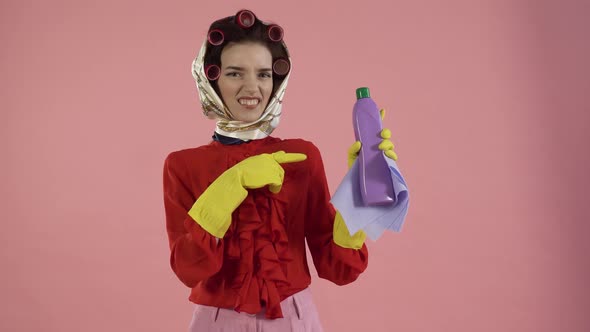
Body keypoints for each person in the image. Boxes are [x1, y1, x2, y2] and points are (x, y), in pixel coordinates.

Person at [162, 9, 397, 331]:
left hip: (295, 319)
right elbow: (189, 269)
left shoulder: (302, 156)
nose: (252, 87)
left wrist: (356, 197)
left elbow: (338, 270)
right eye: (234, 73)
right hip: (216, 322)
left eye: (263, 74)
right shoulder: (183, 165)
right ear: (210, 78)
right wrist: (232, 182)